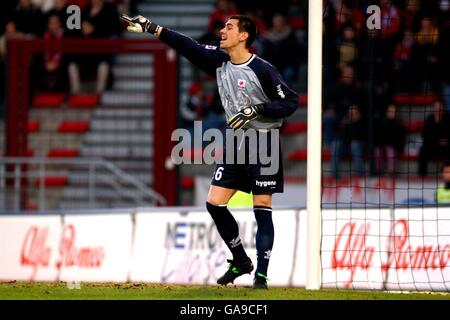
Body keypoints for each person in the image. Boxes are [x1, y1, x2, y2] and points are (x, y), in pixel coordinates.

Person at [122, 14, 298, 289]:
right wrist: (153, 28)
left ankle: (261, 275)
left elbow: (290, 102)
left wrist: (258, 109)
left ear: (243, 36)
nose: (222, 30)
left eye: (229, 27)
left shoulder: (263, 70)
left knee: (262, 206)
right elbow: (187, 46)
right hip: (236, 142)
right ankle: (241, 260)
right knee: (214, 203)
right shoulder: (219, 61)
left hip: (264, 143)